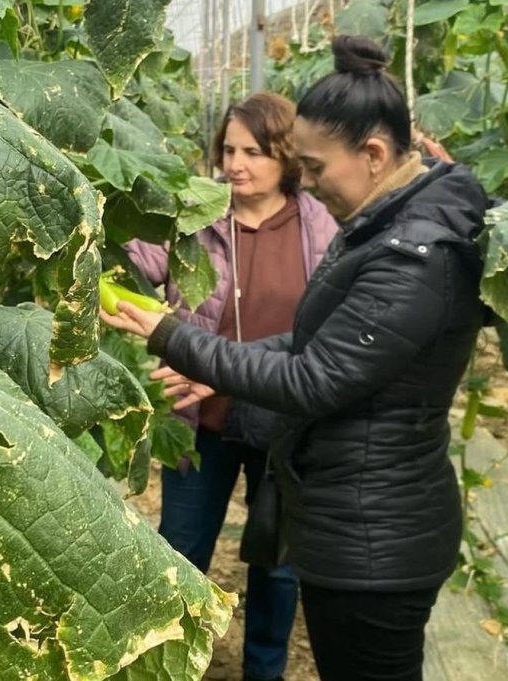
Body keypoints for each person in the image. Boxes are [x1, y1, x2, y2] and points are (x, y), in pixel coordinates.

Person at [104, 35, 489, 681]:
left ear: (372, 153)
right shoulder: (384, 228)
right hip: (357, 513)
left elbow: (313, 376)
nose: (305, 181)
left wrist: (173, 336)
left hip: (375, 533)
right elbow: (319, 343)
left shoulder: (408, 256)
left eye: (312, 166)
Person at [124, 92, 337, 681]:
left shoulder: (321, 226)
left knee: (276, 560)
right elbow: (133, 262)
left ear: (287, 156)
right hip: (202, 419)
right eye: (228, 149)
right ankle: (165, 664)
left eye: (253, 152)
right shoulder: (196, 216)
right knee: (180, 550)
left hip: (285, 421)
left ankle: (262, 672)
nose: (235, 164)